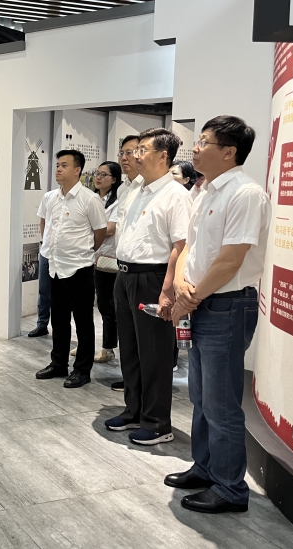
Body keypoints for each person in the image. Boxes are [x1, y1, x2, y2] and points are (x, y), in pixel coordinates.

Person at [166, 116, 270, 514]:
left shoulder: (245, 194)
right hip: (202, 301)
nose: (195, 148)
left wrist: (189, 299)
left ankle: (230, 488)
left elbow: (230, 261)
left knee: (221, 402)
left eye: (204, 141)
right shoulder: (205, 190)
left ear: (229, 152)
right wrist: (180, 283)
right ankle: (205, 467)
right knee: (200, 396)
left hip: (227, 305)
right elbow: (189, 246)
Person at [104, 128, 192, 445]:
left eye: (142, 149)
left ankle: (157, 423)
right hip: (125, 275)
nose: (135, 155)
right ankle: (134, 410)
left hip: (153, 278)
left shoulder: (176, 195)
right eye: (134, 150)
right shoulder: (135, 190)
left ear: (163, 156)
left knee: (154, 353)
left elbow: (181, 246)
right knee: (129, 349)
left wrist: (168, 289)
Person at [35, 150, 107, 388]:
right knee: (59, 319)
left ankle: (82, 370)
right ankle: (58, 363)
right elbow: (45, 224)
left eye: (64, 165)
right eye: (57, 164)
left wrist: (85, 251)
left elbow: (100, 232)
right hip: (55, 266)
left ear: (77, 170)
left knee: (83, 322)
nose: (58, 169)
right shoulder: (50, 197)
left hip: (79, 268)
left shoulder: (89, 199)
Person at [108, 135, 144, 392]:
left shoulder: (150, 188)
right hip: (122, 267)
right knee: (127, 333)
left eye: (131, 152)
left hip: (146, 270)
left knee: (145, 337)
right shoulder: (123, 189)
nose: (125, 157)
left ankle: (142, 387)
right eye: (122, 152)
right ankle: (131, 382)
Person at [92, 161, 123, 363]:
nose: (99, 177)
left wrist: (89, 230)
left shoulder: (117, 202)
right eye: (98, 173)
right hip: (89, 257)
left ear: (114, 179)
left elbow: (110, 230)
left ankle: (108, 348)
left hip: (107, 260)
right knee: (89, 304)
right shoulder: (92, 199)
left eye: (104, 174)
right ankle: (88, 344)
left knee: (107, 305)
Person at [169, 160, 198, 370]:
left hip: (188, 275)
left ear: (187, 179)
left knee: (179, 317)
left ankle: (172, 358)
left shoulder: (184, 198)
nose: (170, 177)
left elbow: (183, 243)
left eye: (175, 174)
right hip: (179, 273)